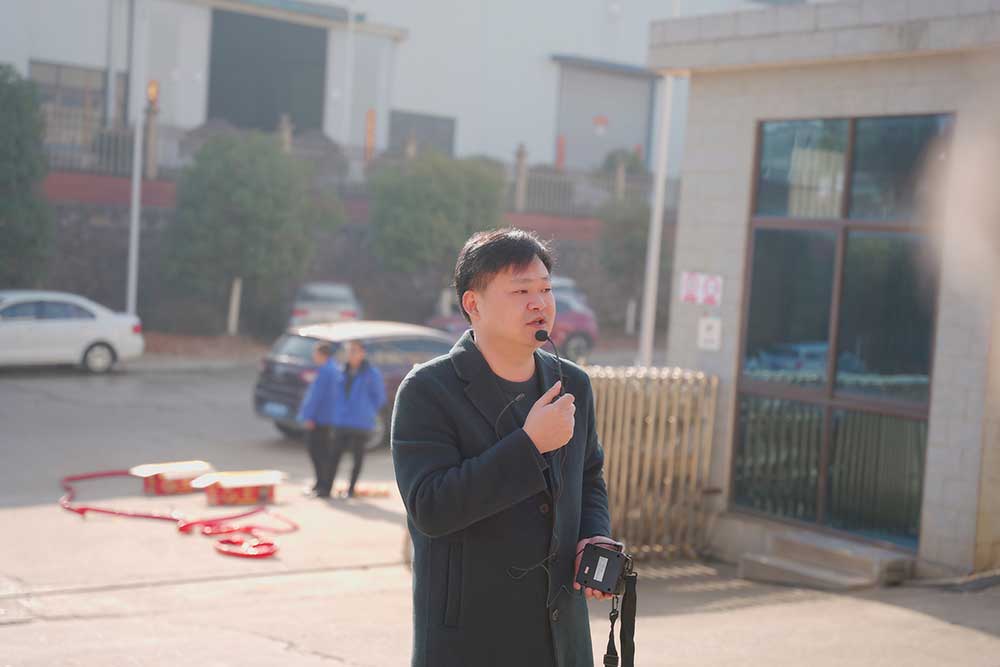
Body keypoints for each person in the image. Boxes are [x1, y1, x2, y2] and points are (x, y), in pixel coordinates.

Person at [391, 227, 619, 667]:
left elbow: (589, 475)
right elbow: (431, 507)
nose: (539, 303)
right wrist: (530, 446)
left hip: (560, 636)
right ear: (473, 304)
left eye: (546, 289)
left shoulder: (572, 383)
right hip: (471, 638)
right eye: (520, 291)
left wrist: (595, 533)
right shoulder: (427, 390)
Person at [328, 340, 386, 498]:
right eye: (348, 351)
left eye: (354, 350)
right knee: (334, 455)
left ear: (362, 353)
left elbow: (379, 398)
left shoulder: (372, 374)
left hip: (361, 423)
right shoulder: (342, 371)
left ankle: (351, 489)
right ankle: (326, 488)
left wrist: (366, 410)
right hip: (341, 421)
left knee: (357, 458)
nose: (350, 354)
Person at [297, 342, 341, 498]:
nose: (313, 357)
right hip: (328, 418)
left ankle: (323, 486)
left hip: (320, 418)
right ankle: (320, 484)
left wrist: (308, 416)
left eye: (315, 354)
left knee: (318, 452)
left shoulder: (326, 371)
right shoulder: (334, 369)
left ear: (322, 355)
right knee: (323, 453)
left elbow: (316, 397)